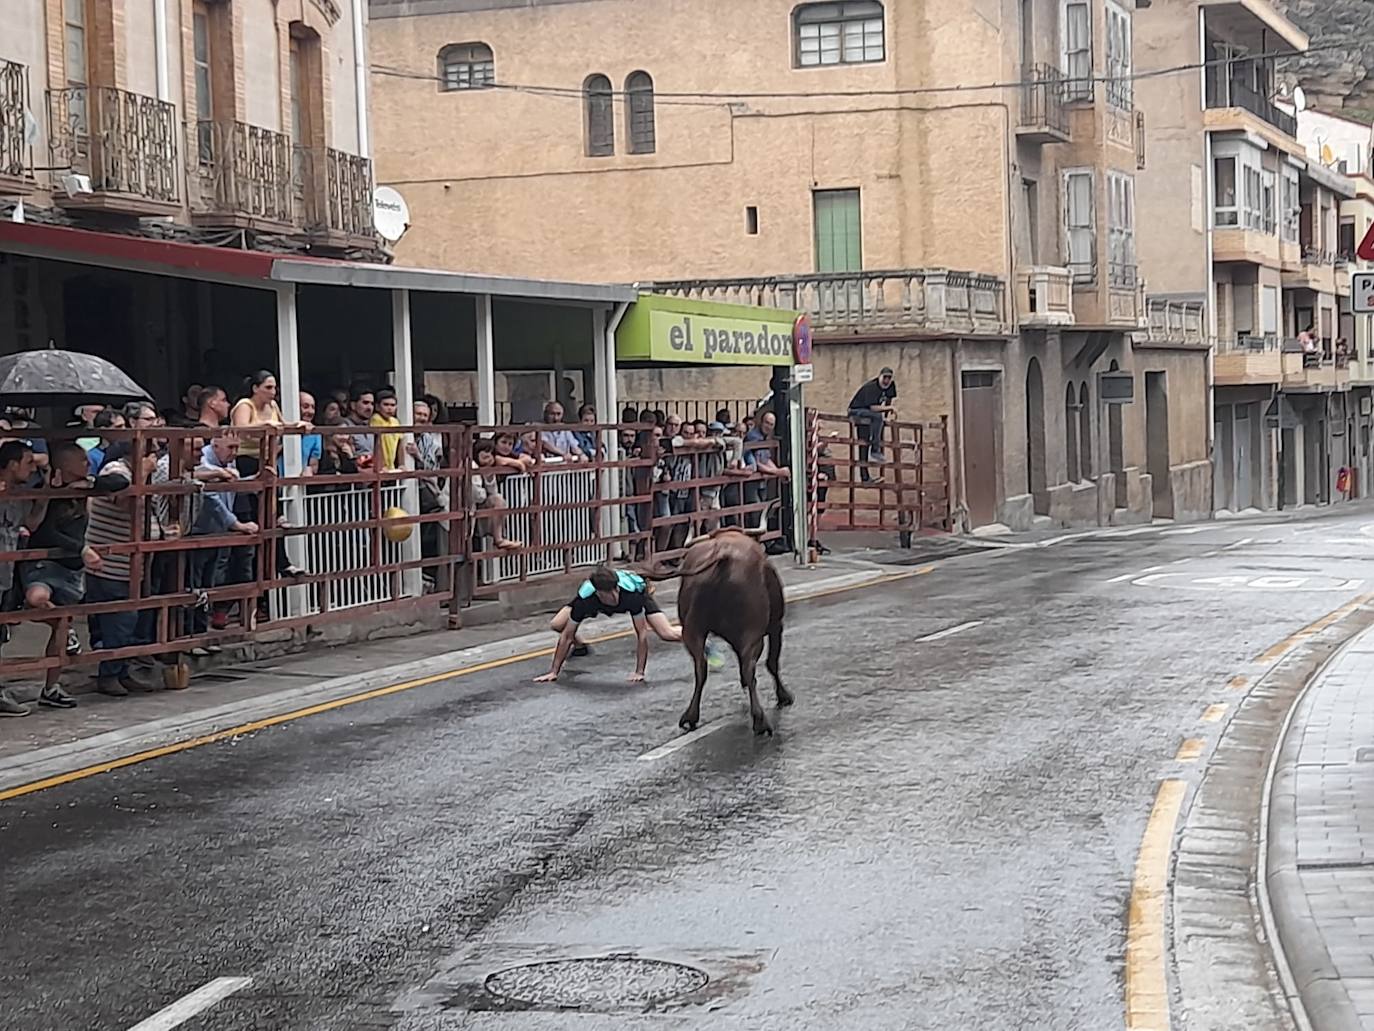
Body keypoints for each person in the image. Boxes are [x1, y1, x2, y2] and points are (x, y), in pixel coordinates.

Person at [535, 564, 683, 683]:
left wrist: (639, 672)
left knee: (667, 633)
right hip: (592, 600)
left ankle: (700, 634)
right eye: (607, 597)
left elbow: (642, 634)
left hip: (640, 592)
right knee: (557, 624)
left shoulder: (631, 595)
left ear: (617, 588)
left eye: (614, 594)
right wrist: (554, 671)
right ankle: (581, 647)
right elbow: (567, 636)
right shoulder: (586, 598)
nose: (612, 599)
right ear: (598, 593)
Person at [0, 441, 45, 716]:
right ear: (12, 464)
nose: (32, 468)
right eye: (28, 462)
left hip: (6, 573)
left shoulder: (19, 494)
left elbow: (30, 523)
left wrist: (42, 499)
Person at [471, 440, 523, 551]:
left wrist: (488, 474)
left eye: (490, 453)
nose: (487, 455)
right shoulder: (471, 465)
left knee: (498, 500)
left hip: (474, 513)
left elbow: (493, 492)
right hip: (458, 512)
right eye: (484, 451)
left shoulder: (487, 468)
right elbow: (477, 496)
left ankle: (499, 539)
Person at [849, 367, 898, 476]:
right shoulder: (872, 387)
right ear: (879, 377)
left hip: (869, 414)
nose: (886, 381)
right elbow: (873, 408)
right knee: (877, 418)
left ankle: (865, 477)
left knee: (865, 442)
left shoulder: (890, 386)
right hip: (856, 410)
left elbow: (888, 400)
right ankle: (875, 449)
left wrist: (886, 415)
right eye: (884, 377)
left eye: (889, 378)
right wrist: (889, 409)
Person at [370, 388, 404, 470]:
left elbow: (400, 444)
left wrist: (401, 464)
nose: (389, 408)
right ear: (377, 407)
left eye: (393, 405)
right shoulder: (376, 419)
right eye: (386, 405)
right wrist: (380, 465)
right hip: (379, 467)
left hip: (391, 466)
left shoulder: (395, 421)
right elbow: (378, 444)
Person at [344, 387, 376, 457]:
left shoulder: (372, 425)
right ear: (353, 405)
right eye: (365, 403)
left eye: (372, 404)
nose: (369, 407)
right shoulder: (344, 426)